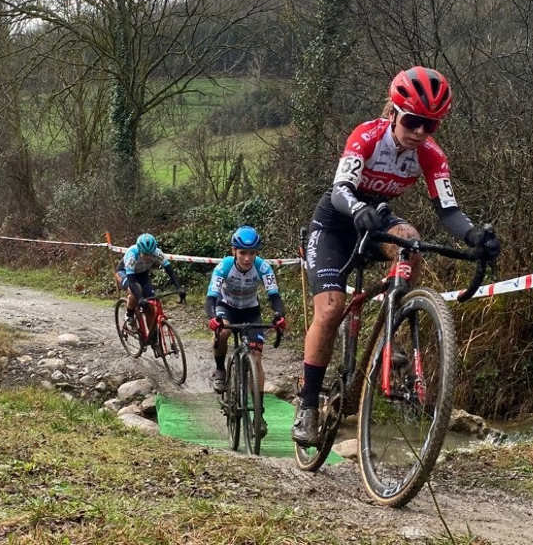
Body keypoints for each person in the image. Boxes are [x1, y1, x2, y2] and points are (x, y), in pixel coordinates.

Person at [291, 66, 501, 445]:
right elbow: (340, 190)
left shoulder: (431, 156)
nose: (420, 132)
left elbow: (448, 210)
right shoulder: (367, 136)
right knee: (330, 309)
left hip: (377, 221)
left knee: (411, 241)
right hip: (336, 224)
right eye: (414, 121)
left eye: (431, 125)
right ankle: (307, 403)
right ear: (393, 113)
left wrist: (473, 235)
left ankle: (394, 329)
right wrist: (356, 209)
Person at [205, 226, 286, 434]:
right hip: (226, 307)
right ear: (234, 251)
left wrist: (279, 315)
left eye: (252, 253)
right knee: (223, 333)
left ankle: (259, 413)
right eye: (243, 253)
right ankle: (220, 369)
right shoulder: (224, 267)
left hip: (251, 310)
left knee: (256, 356)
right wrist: (213, 317)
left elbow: (274, 297)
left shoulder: (263, 267)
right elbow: (211, 298)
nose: (248, 258)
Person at [114, 233, 185, 345]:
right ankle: (129, 314)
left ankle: (151, 337)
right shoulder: (132, 255)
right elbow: (132, 281)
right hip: (124, 273)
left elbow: (170, 271)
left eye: (150, 254)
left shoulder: (157, 253)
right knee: (135, 292)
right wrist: (140, 297)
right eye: (145, 254)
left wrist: (179, 287)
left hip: (142, 274)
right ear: (139, 250)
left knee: (150, 307)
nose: (147, 257)